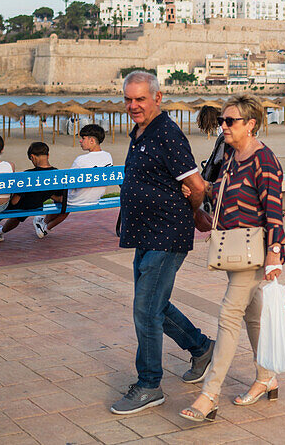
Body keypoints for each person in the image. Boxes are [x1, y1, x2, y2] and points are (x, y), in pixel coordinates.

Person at [110, 71, 214, 416]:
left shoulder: (167, 134)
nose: (133, 105)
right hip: (146, 233)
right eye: (128, 99)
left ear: (157, 97)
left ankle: (150, 384)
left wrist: (197, 211)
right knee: (154, 304)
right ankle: (201, 348)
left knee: (145, 309)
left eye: (140, 99)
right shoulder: (140, 132)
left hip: (166, 234)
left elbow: (196, 184)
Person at [181, 93, 285, 425]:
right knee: (252, 318)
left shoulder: (264, 160)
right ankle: (267, 376)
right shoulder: (230, 155)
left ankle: (209, 395)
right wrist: (203, 190)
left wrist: (274, 255)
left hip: (255, 250)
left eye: (230, 121)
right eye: (222, 120)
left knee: (228, 315)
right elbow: (226, 189)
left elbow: (274, 212)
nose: (223, 126)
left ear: (250, 124)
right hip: (233, 247)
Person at [33, 124, 113, 237]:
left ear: (92, 140)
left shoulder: (81, 160)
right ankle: (45, 226)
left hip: (78, 200)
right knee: (63, 199)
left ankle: (45, 225)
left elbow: (68, 182)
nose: (80, 141)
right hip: (95, 198)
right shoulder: (108, 156)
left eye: (83, 138)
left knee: (60, 197)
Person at [0, 142, 62, 243]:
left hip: (21, 206)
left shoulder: (28, 174)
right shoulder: (57, 173)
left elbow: (15, 201)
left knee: (14, 211)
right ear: (48, 155)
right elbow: (59, 198)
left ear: (32, 157)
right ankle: (0, 232)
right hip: (36, 205)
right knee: (19, 215)